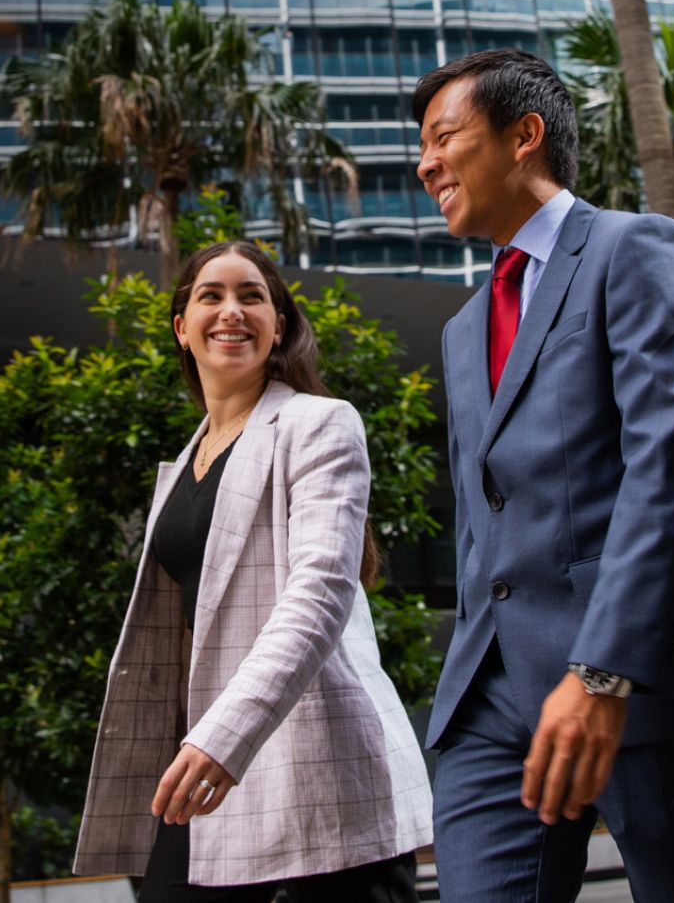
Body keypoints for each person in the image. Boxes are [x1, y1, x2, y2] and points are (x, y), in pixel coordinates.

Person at [413, 49, 674, 903]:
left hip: (642, 679)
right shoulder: (464, 329)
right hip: (490, 703)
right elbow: (479, 517)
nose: (425, 165)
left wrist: (605, 669)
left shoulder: (632, 249)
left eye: (442, 138)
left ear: (524, 135)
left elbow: (667, 465)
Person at [73, 241, 431, 902]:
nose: (231, 311)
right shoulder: (181, 467)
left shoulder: (319, 424)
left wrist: (222, 736)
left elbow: (319, 594)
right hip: (206, 773)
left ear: (280, 326)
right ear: (182, 328)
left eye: (252, 296)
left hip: (311, 774)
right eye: (210, 296)